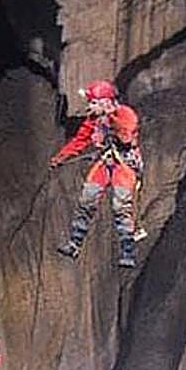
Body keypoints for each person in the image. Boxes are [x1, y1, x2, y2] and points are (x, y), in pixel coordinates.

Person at [49, 79, 143, 268]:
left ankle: (128, 253)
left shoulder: (126, 114)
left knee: (121, 207)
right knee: (87, 199)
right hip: (104, 162)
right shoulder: (94, 120)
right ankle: (74, 244)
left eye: (93, 102)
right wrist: (60, 158)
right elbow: (80, 140)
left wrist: (111, 118)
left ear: (106, 102)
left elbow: (126, 135)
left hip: (123, 164)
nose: (90, 106)